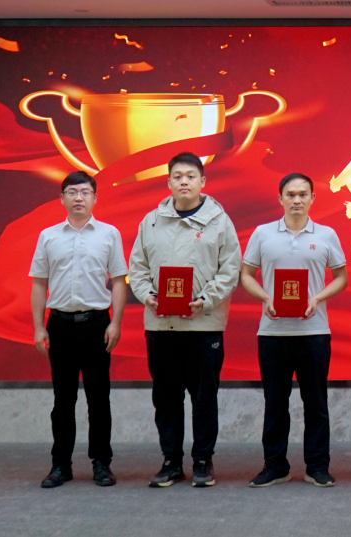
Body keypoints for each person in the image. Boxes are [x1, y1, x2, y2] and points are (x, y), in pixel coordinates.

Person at [128, 152, 241, 488]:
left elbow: (230, 269)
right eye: (177, 176)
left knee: (204, 398)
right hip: (161, 325)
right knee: (166, 398)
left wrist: (205, 301)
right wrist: (147, 295)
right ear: (168, 182)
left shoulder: (220, 221)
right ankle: (171, 461)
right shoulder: (150, 221)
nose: (184, 182)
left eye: (191, 176)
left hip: (203, 326)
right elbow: (137, 267)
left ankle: (203, 461)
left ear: (203, 181)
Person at [240, 173, 348, 488]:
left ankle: (317, 466)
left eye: (303, 194)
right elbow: (246, 274)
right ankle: (275, 466)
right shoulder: (262, 234)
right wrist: (265, 298)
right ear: (280, 199)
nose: (297, 200)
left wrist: (318, 297)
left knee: (316, 403)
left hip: (314, 332)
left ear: (313, 198)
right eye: (291, 194)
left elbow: (341, 277)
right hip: (273, 333)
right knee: (275, 403)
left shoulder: (326, 235)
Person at [30, 171, 128, 488]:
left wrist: (115, 322)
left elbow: (118, 281)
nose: (78, 198)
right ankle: (61, 464)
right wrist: (38, 327)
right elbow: (39, 283)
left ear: (95, 198)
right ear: (62, 199)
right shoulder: (48, 236)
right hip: (59, 325)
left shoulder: (109, 234)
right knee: (63, 400)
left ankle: (101, 463)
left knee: (99, 398)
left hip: (96, 324)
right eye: (72, 192)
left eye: (85, 192)